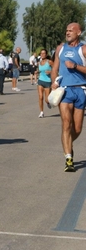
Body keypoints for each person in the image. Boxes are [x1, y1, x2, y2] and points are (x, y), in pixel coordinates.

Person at [51, 22, 86, 172]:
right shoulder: (60, 49)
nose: (68, 32)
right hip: (64, 91)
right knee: (66, 124)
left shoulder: (83, 49)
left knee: (77, 128)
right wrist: (54, 82)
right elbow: (55, 69)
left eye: (71, 30)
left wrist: (76, 66)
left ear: (79, 33)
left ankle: (68, 144)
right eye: (66, 30)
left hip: (81, 90)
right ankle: (68, 158)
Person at [37, 49, 53, 118]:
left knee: (47, 99)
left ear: (46, 55)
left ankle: (48, 103)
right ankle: (41, 112)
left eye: (44, 53)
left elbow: (56, 69)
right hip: (40, 80)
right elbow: (39, 70)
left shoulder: (49, 62)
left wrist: (50, 72)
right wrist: (36, 72)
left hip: (48, 82)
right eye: (41, 53)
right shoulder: (39, 62)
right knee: (40, 97)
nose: (42, 55)